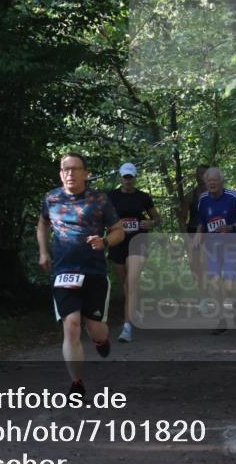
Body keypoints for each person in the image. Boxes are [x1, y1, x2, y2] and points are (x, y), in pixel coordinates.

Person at [37, 153, 126, 395]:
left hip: (94, 271)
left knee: (94, 326)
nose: (70, 174)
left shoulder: (99, 199)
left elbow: (119, 230)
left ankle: (101, 340)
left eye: (75, 169)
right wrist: (44, 252)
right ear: (60, 173)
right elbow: (43, 223)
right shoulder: (52, 198)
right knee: (72, 325)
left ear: (85, 173)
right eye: (65, 169)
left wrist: (105, 241)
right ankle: (77, 384)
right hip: (63, 271)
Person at [107, 162, 160, 343]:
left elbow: (157, 218)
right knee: (125, 283)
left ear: (135, 177)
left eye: (130, 177)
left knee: (131, 282)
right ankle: (133, 307)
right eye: (125, 177)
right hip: (118, 242)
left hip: (138, 241)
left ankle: (127, 327)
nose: (128, 181)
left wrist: (150, 223)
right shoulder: (111, 196)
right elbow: (102, 217)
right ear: (121, 178)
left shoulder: (143, 197)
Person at [195, 167, 236, 333]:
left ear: (221, 181)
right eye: (209, 181)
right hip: (211, 247)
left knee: (227, 285)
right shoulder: (203, 199)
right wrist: (199, 234)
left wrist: (232, 226)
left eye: (215, 180)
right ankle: (221, 319)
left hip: (231, 244)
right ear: (205, 183)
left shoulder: (232, 197)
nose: (212, 183)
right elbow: (201, 221)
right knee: (214, 283)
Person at [183, 165, 209, 282]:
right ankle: (202, 291)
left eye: (204, 173)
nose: (201, 176)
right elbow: (182, 218)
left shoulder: (216, 194)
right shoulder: (190, 195)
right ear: (196, 176)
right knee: (195, 265)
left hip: (210, 232)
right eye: (199, 173)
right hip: (193, 232)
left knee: (206, 263)